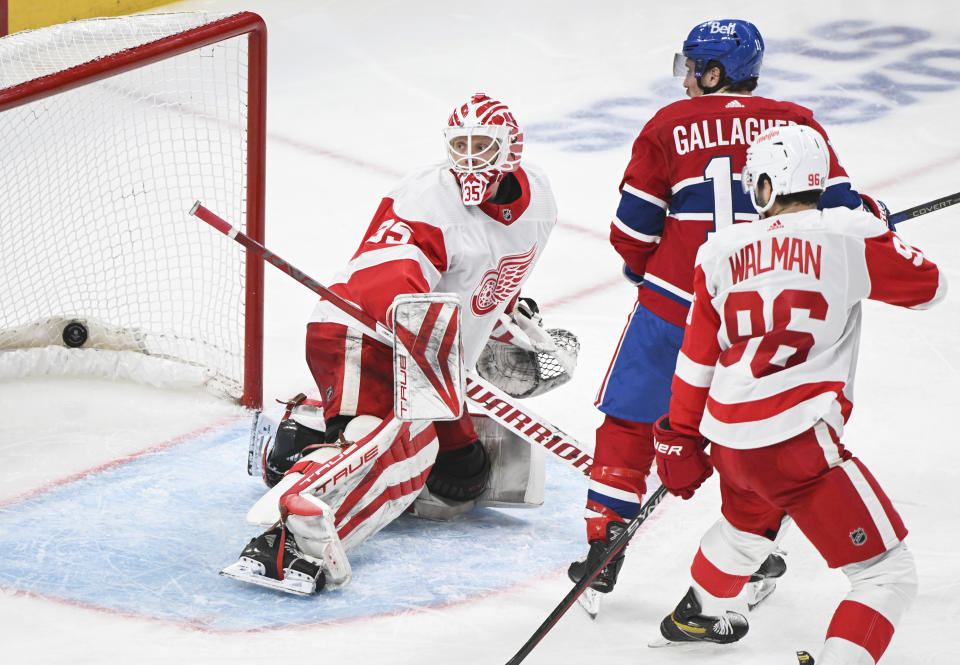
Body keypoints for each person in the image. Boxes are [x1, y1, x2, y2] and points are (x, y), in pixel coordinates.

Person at [569, 18, 890, 599]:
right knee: (759, 431)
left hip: (674, 304)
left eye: (692, 67)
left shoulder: (668, 124)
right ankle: (750, 544)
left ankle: (605, 536)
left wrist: (648, 274)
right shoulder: (797, 124)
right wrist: (876, 212)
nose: (686, 79)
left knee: (630, 420)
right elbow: (843, 212)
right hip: (760, 313)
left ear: (713, 72)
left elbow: (631, 229)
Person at [222, 93, 563, 594]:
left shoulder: (540, 201)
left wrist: (501, 321)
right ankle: (290, 540)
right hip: (364, 335)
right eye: (460, 145)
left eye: (483, 145)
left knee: (463, 479)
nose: (470, 158)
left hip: (432, 352)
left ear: (511, 149)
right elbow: (390, 274)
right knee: (405, 447)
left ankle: (301, 439)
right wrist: (413, 324)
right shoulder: (427, 199)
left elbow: (487, 278)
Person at [651, 124, 945, 662]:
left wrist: (679, 436)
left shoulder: (721, 250)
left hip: (732, 441)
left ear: (766, 185)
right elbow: (930, 287)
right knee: (886, 575)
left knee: (746, 526)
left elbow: (697, 359)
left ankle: (700, 612)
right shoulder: (848, 239)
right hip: (798, 442)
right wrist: (876, 230)